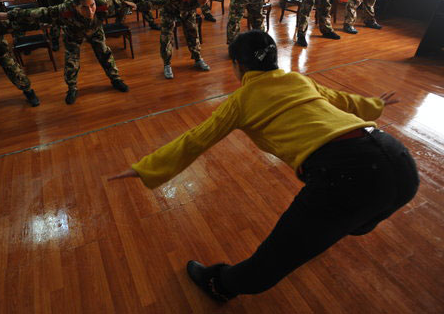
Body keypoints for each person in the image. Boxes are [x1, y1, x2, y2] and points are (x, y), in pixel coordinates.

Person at [110, 30, 419, 302]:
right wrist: (374, 104)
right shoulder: (297, 79)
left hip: (349, 175)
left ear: (238, 66)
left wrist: (145, 168)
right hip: (397, 158)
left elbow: (195, 140)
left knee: (269, 263)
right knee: (358, 217)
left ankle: (220, 285)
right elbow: (341, 101)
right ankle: (340, 225)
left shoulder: (241, 100)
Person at [0, 0, 144, 104]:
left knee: (105, 53)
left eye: (92, 6)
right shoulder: (64, 10)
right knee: (71, 61)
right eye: (84, 7)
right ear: (76, 6)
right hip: (73, 34)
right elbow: (38, 12)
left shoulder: (103, 3)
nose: (90, 11)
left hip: (95, 30)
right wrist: (9, 15)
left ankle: (115, 79)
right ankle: (72, 88)